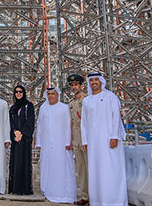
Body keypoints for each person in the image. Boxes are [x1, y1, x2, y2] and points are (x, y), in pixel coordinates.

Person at [81, 72, 127, 206]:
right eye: (91, 80)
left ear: (101, 81)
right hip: (93, 143)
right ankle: (97, 201)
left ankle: (115, 201)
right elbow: (83, 123)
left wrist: (114, 136)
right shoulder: (86, 101)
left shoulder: (110, 97)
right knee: (96, 171)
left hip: (109, 141)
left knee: (112, 170)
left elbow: (116, 118)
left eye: (96, 80)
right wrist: (85, 141)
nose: (94, 82)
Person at [35, 87, 76, 204]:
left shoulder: (64, 108)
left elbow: (69, 125)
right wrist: (38, 142)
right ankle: (48, 191)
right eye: (49, 94)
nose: (51, 96)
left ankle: (64, 194)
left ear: (57, 95)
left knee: (62, 168)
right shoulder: (43, 108)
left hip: (62, 144)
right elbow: (40, 126)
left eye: (53, 94)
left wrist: (69, 141)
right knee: (47, 167)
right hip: (46, 144)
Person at [8, 84, 35, 195]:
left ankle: (24, 189)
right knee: (15, 163)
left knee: (24, 162)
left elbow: (30, 120)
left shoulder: (29, 106)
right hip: (16, 139)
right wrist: (15, 131)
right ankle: (15, 189)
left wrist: (22, 133)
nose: (18, 94)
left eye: (20, 92)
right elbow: (10, 122)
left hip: (24, 139)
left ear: (24, 93)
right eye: (16, 92)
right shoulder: (13, 108)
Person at [67, 73, 89, 205]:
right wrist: (70, 140)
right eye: (72, 85)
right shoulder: (71, 102)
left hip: (86, 137)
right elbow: (71, 122)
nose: (74, 87)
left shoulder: (87, 99)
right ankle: (84, 196)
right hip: (76, 138)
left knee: (90, 167)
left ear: (81, 85)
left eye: (76, 85)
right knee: (80, 168)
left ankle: (94, 196)